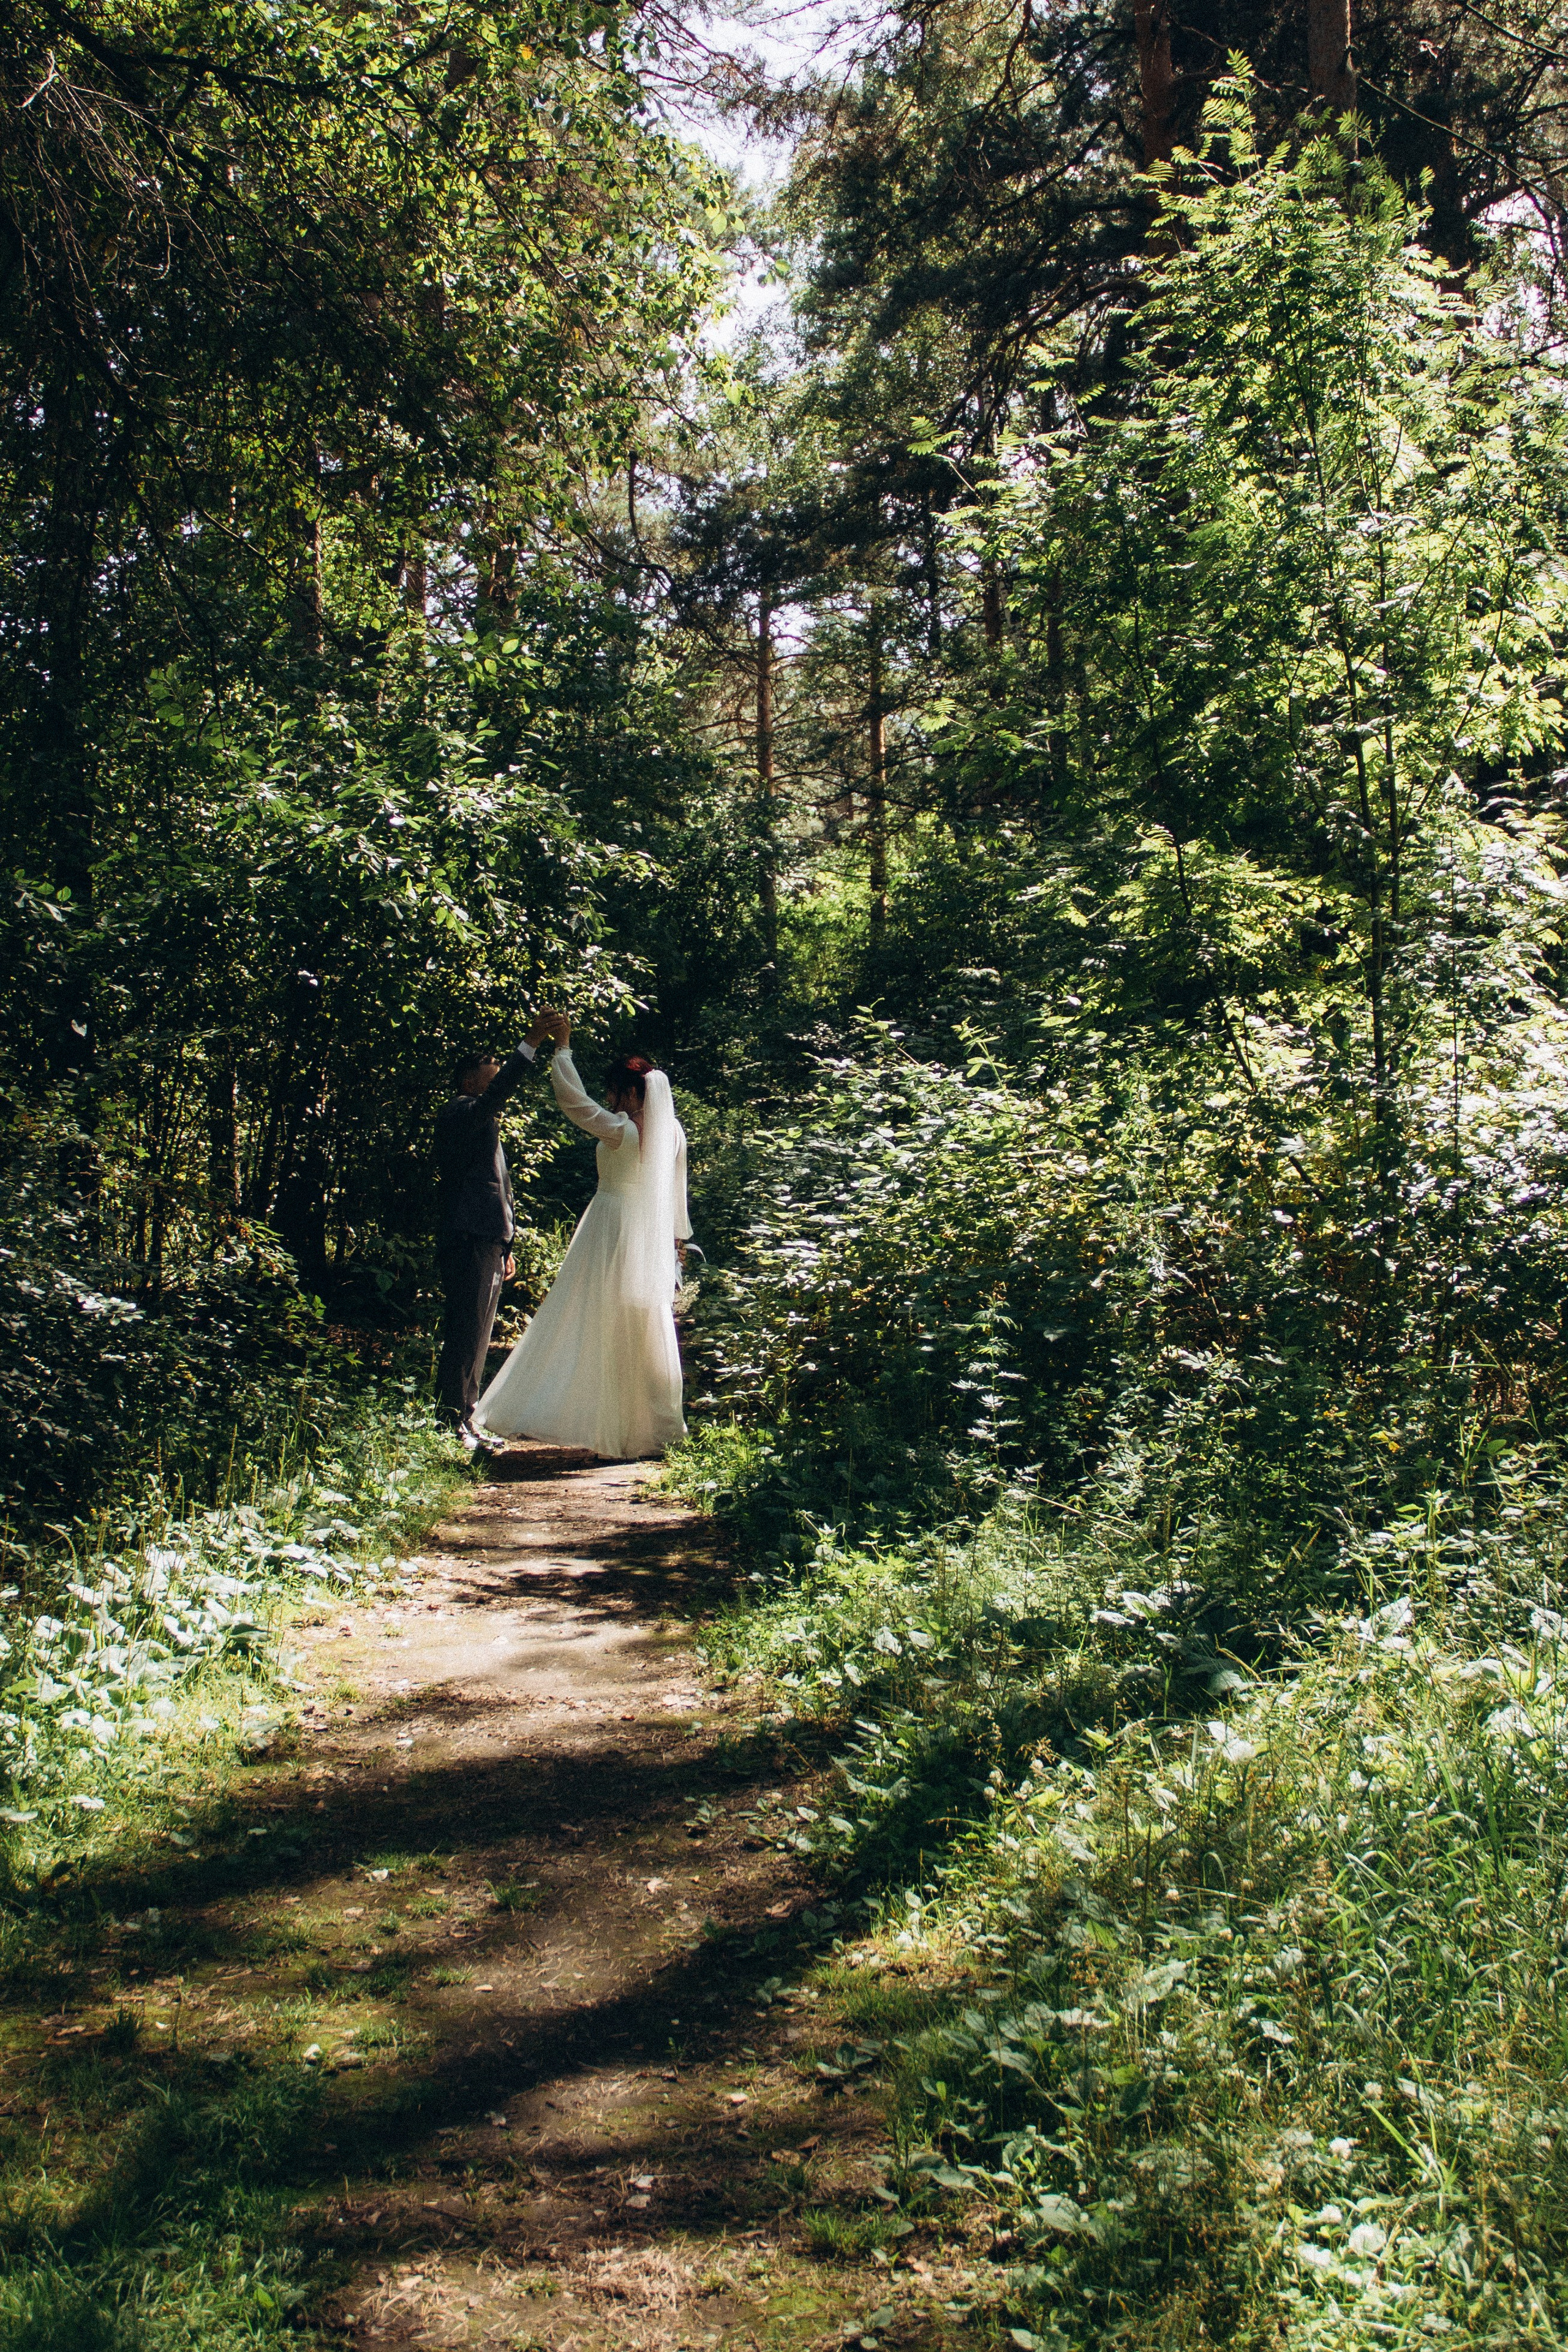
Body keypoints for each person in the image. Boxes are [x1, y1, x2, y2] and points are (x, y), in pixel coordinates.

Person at [473, 1014, 692, 1460]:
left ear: (632, 1093)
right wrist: (676, 1240)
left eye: (614, 1092)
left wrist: (564, 1048)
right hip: (648, 1231)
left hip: (612, 1228)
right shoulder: (672, 1133)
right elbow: (676, 1191)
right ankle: (650, 1430)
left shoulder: (623, 1130)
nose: (609, 1099)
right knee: (643, 1322)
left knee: (606, 1321)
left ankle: (618, 1429)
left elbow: (575, 1103)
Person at [434, 1017, 557, 1451]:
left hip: (486, 1240)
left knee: (480, 1334)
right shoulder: (462, 1111)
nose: (498, 1069)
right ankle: (451, 1423)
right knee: (466, 1333)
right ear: (471, 1079)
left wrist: (507, 1245)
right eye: (491, 1065)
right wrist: (531, 1043)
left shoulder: (478, 1119)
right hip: (468, 1238)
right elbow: (499, 1091)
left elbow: (497, 1188)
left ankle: (465, 1420)